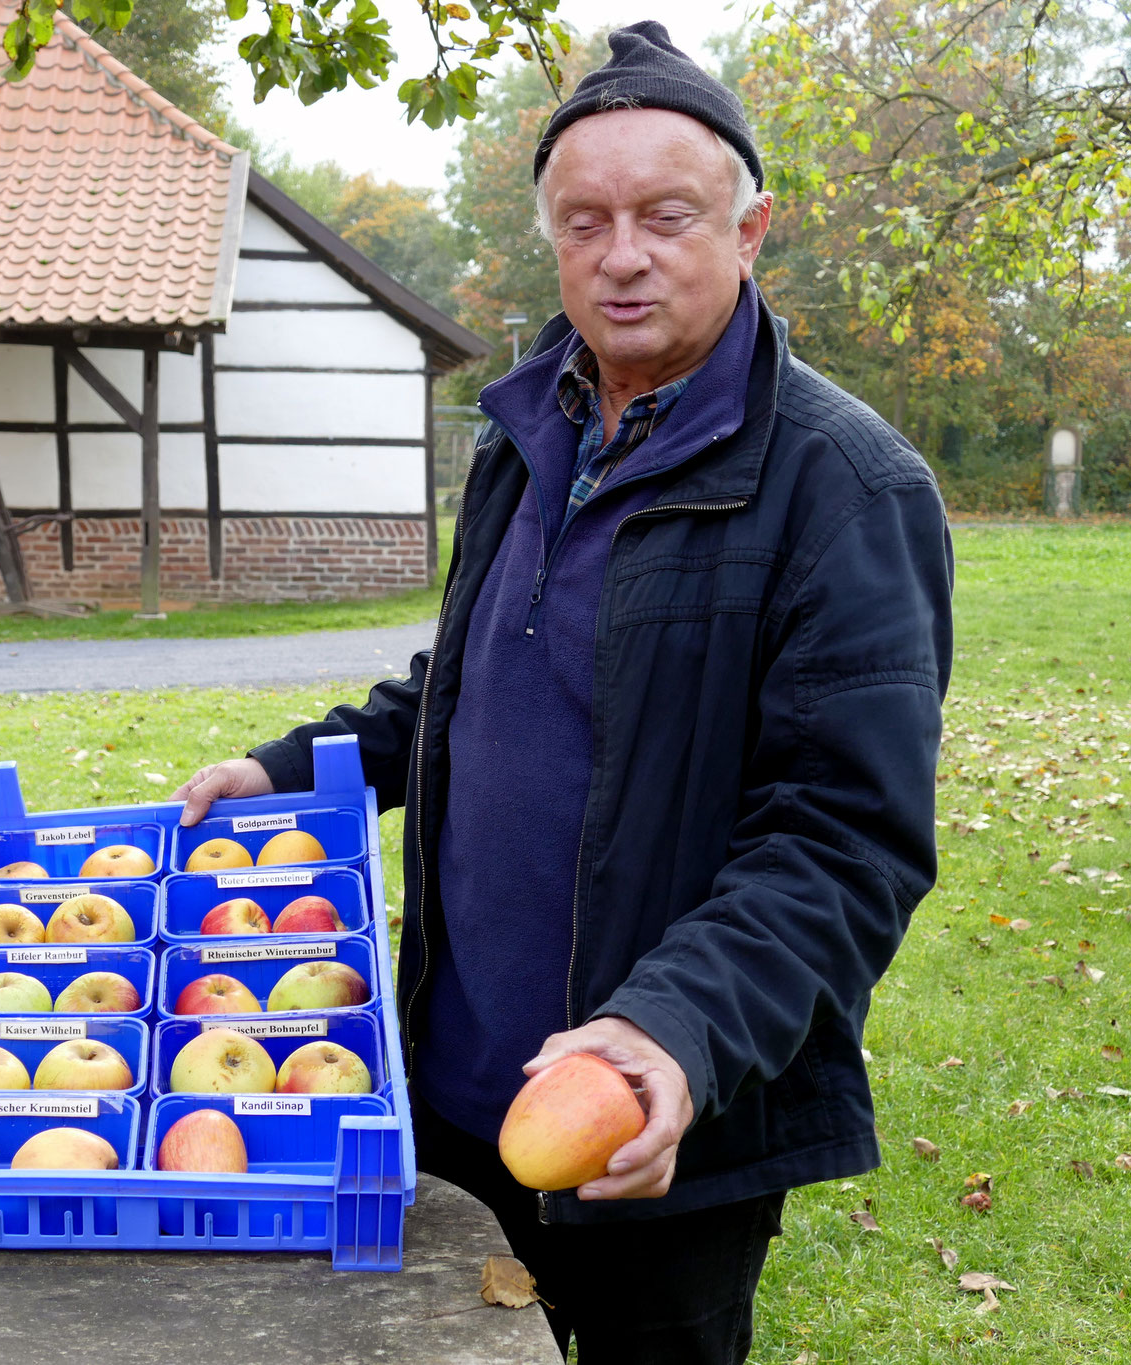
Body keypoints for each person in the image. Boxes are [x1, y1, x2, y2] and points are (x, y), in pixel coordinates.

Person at [174, 21, 952, 1363]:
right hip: (454, 1093)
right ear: (551, 238)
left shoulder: (846, 490)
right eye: (585, 220)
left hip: (659, 1113)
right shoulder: (528, 436)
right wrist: (296, 765)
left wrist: (674, 1029)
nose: (623, 253)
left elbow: (844, 838)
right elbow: (469, 687)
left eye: (667, 214)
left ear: (751, 227)